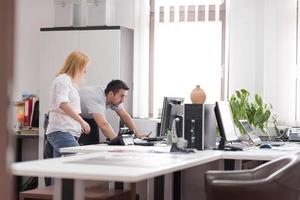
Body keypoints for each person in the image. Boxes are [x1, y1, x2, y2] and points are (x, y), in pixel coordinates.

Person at [46, 50, 91, 157]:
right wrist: (82, 121)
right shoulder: (63, 80)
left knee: (61, 169)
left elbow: (68, 107)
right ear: (77, 66)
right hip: (61, 131)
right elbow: (63, 104)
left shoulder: (69, 82)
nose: (85, 71)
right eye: (84, 67)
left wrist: (76, 124)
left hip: (65, 131)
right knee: (73, 164)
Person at [78, 80, 145, 144]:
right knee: (83, 145)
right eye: (121, 96)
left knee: (93, 142)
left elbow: (124, 115)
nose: (123, 100)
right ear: (111, 94)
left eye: (124, 97)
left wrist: (137, 134)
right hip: (75, 116)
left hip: (89, 116)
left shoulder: (113, 96)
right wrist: (119, 142)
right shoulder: (96, 98)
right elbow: (103, 125)